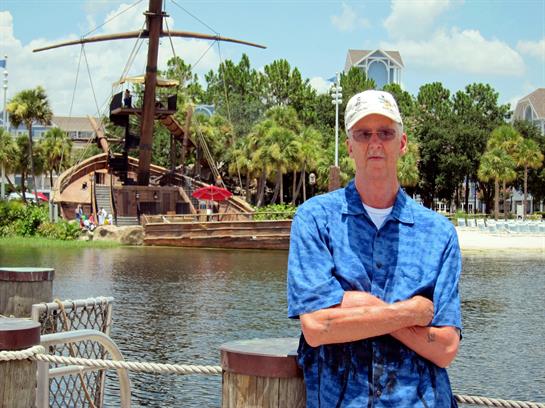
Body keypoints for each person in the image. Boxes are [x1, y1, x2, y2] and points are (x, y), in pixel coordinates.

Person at [287, 90, 462, 407]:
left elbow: (446, 348)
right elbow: (316, 327)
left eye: (386, 132)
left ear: (402, 143)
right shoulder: (314, 221)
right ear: (349, 146)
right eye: (364, 134)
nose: (375, 142)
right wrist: (411, 312)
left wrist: (353, 305)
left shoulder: (439, 234)